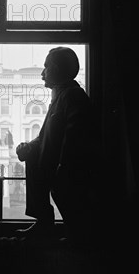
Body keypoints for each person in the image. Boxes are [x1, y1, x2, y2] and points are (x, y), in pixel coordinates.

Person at [16, 47, 102, 245]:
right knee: (33, 159)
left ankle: (74, 235)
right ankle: (45, 221)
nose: (42, 73)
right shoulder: (60, 97)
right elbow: (46, 135)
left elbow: (74, 138)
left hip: (67, 168)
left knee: (65, 196)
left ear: (57, 69)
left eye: (46, 67)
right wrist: (29, 147)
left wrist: (63, 167)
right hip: (56, 163)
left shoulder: (72, 97)